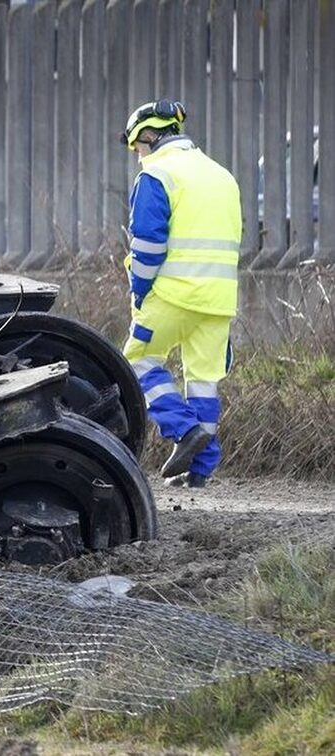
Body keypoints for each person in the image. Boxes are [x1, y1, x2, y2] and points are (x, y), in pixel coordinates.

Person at [118, 99, 242, 488]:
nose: (138, 155)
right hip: (220, 300)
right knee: (203, 378)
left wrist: (139, 291)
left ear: (149, 137)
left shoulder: (159, 174)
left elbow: (149, 245)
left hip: (173, 294)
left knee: (138, 361)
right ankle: (199, 471)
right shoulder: (222, 175)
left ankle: (183, 430)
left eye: (137, 147)